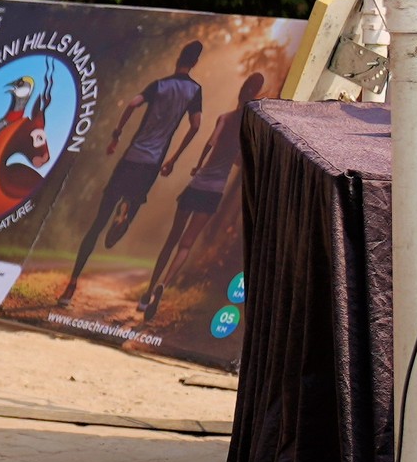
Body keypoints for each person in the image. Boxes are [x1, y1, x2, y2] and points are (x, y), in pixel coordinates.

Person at [55, 40, 206, 302]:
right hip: (151, 165)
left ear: (179, 59)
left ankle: (71, 285)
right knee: (127, 216)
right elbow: (196, 125)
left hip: (131, 157)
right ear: (194, 63)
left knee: (97, 224)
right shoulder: (194, 91)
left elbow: (133, 103)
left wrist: (117, 134)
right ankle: (125, 211)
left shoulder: (159, 85)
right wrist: (174, 158)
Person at [139, 74, 267, 320]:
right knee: (186, 244)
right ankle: (163, 285)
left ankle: (147, 293)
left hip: (198, 184)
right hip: (214, 192)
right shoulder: (247, 130)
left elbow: (210, 143)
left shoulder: (225, 118)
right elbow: (240, 161)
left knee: (172, 239)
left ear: (240, 92)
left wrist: (198, 165)